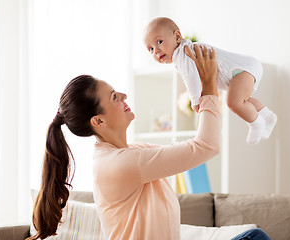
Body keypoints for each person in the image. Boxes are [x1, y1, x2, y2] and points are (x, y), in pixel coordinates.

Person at [29, 45, 270, 240]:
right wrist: (208, 89)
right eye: (114, 96)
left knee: (252, 236)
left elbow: (197, 146)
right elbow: (207, 146)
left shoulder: (135, 154)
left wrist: (199, 93)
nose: (123, 95)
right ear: (98, 121)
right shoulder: (119, 164)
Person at [144, 17, 277, 144]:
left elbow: (191, 77)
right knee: (242, 101)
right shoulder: (181, 55)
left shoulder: (183, 53)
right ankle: (267, 116)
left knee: (232, 103)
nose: (156, 50)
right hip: (244, 69)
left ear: (177, 37)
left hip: (241, 69)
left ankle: (255, 123)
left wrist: (195, 100)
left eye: (159, 42)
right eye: (150, 49)